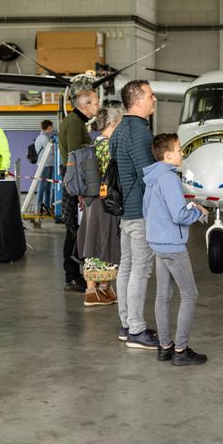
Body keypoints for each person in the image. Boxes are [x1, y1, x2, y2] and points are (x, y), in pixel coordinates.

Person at [143, 133, 209, 366]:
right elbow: (179, 215)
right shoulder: (169, 179)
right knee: (190, 295)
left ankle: (165, 347)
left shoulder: (153, 177)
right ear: (168, 154)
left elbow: (149, 210)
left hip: (157, 242)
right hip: (172, 245)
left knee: (163, 296)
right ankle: (180, 350)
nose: (183, 153)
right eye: (179, 149)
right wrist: (198, 211)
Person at [110, 80, 160, 349]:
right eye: (151, 96)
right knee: (140, 270)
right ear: (138, 100)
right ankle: (136, 330)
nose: (154, 100)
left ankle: (127, 324)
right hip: (140, 212)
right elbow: (147, 175)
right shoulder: (140, 132)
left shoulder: (119, 129)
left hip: (125, 212)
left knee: (127, 268)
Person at [76, 106, 122, 307]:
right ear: (112, 124)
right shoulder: (109, 147)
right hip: (105, 203)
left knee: (93, 241)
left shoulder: (94, 144)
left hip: (92, 202)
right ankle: (91, 292)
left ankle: (101, 289)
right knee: (101, 244)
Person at [59, 90, 100, 292]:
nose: (98, 107)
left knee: (74, 230)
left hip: (73, 181)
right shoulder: (75, 123)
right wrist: (80, 192)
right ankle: (72, 276)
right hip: (74, 183)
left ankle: (74, 274)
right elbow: (76, 158)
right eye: (95, 103)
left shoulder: (75, 121)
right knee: (73, 230)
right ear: (85, 105)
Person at [34, 119, 55, 214]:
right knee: (42, 186)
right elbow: (51, 150)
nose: (53, 129)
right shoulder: (43, 138)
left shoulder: (46, 136)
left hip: (49, 164)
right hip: (44, 165)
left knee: (48, 186)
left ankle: (46, 205)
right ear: (49, 127)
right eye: (52, 127)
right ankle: (39, 207)